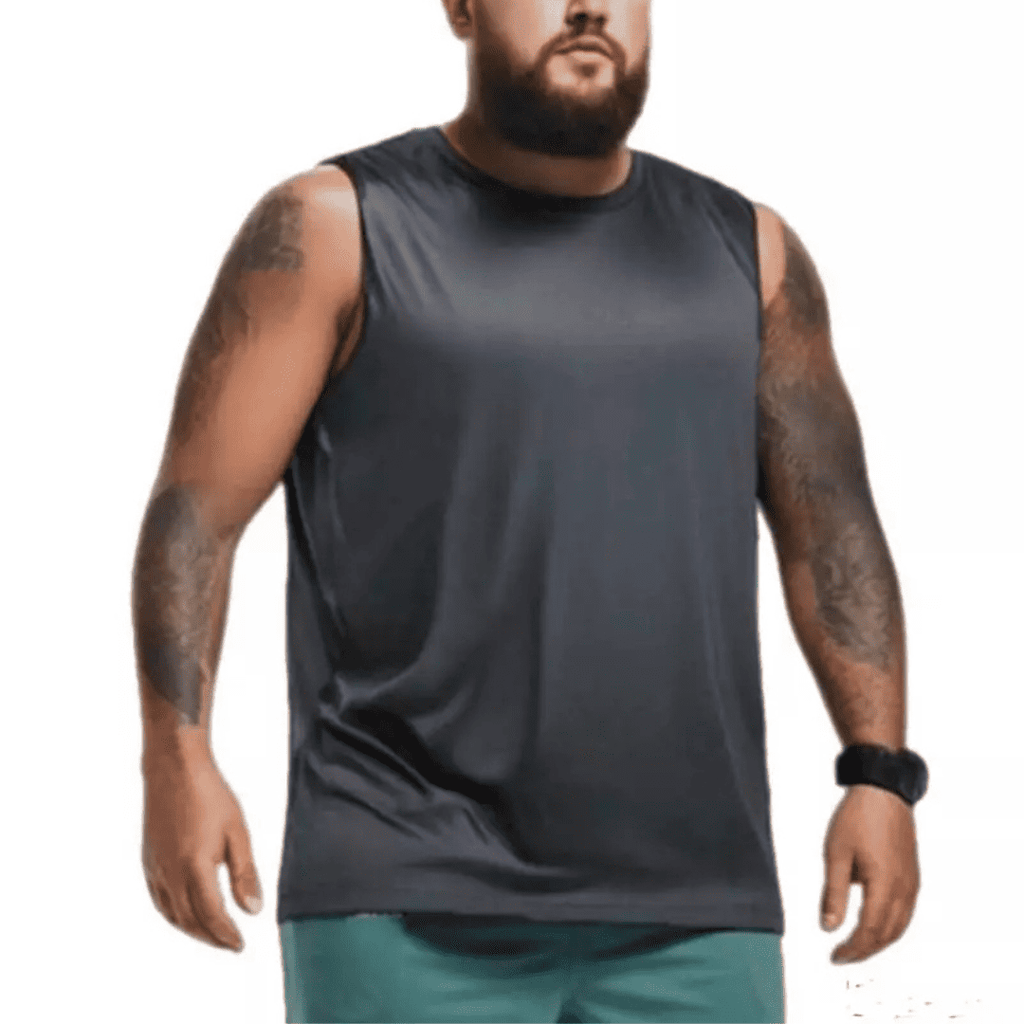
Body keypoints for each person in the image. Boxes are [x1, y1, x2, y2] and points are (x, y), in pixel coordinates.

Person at [132, 2, 924, 1021]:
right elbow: (194, 515)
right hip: (405, 891)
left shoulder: (752, 254)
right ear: (461, 7)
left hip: (697, 901)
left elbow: (832, 528)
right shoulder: (334, 226)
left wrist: (877, 772)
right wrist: (177, 758)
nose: (589, 6)